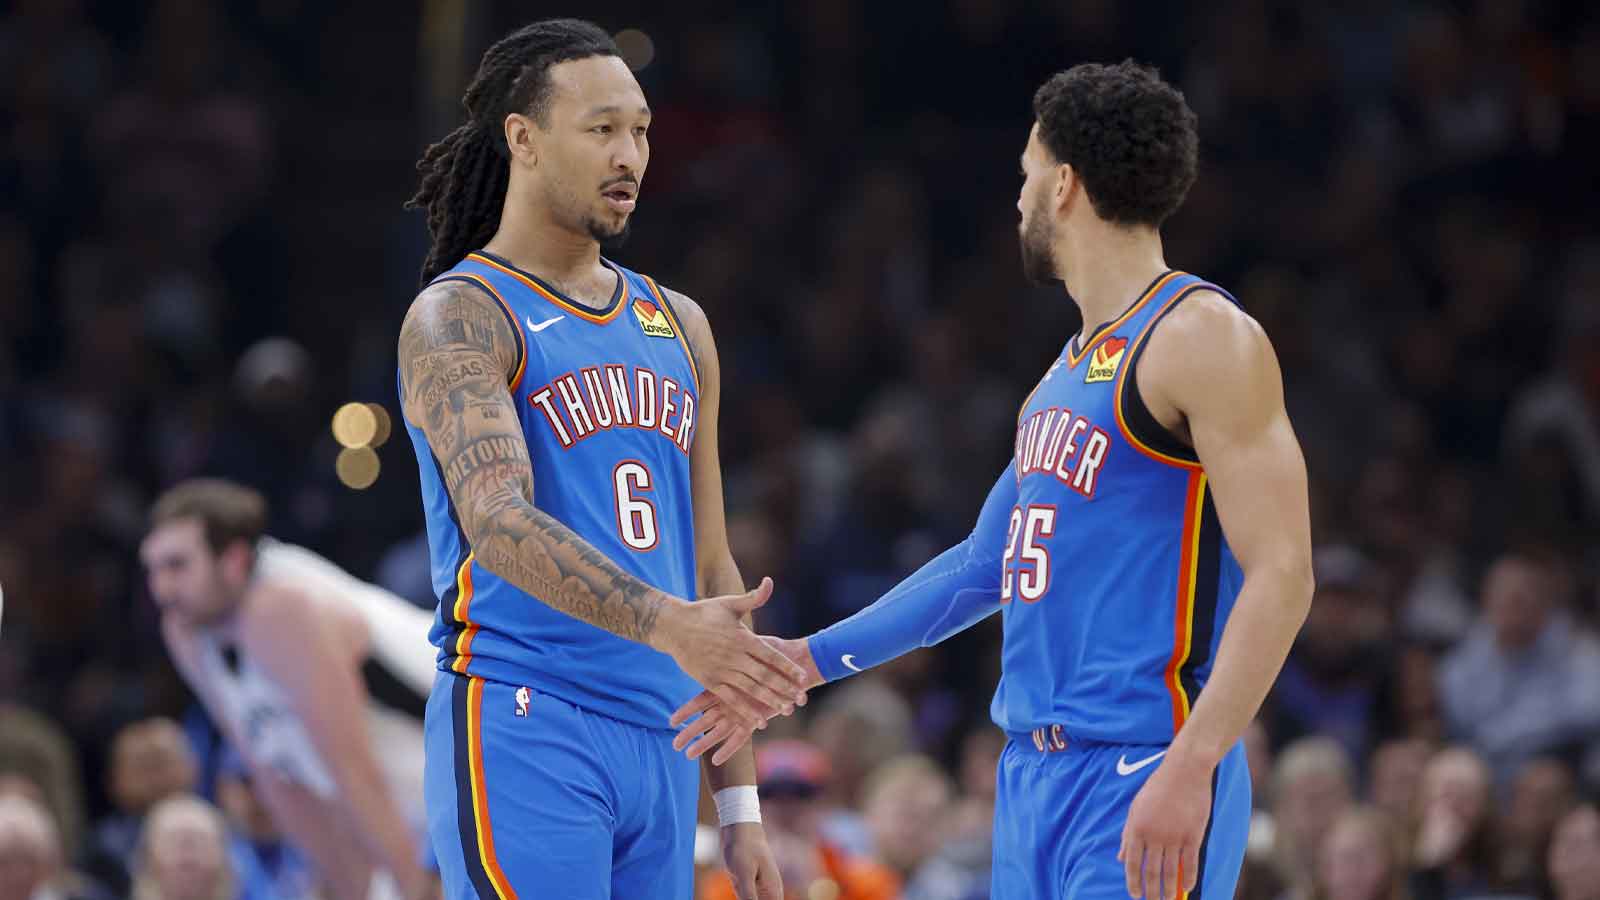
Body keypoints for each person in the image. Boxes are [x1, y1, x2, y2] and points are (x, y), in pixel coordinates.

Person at [672, 60, 1314, 900]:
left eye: (1026, 173)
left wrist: (1193, 765)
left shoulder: (1203, 336)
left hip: (1144, 762)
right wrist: (802, 662)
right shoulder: (1063, 374)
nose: (1018, 199)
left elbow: (1284, 574)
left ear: (1065, 186)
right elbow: (983, 565)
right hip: (1032, 782)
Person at [396, 18, 806, 900]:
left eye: (642, 131)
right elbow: (498, 523)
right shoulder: (462, 315)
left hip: (664, 740)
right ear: (524, 139)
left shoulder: (680, 324)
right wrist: (670, 626)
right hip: (528, 718)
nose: (630, 156)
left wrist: (739, 807)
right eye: (602, 129)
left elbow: (710, 569)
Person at [139, 479, 434, 900]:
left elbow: (352, 768)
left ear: (234, 561)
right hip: (407, 807)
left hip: (473, 757)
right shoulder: (186, 629)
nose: (162, 589)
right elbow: (275, 774)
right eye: (153, 569)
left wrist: (415, 888)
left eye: (177, 566)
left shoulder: (282, 607)